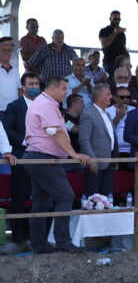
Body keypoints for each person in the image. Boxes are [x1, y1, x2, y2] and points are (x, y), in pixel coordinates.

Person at [24, 76, 92, 253]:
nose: (66, 92)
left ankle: (40, 245)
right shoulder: (46, 105)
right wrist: (74, 154)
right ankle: (62, 241)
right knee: (65, 196)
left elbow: (58, 132)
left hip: (40, 157)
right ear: (53, 89)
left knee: (41, 201)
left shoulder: (45, 103)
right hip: (42, 158)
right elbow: (56, 132)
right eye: (63, 88)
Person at [2, 72, 38, 244]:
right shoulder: (14, 106)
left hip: (40, 156)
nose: (34, 87)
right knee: (19, 195)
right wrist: (23, 141)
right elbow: (6, 130)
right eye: (30, 84)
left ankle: (33, 233)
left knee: (36, 195)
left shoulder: (43, 105)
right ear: (23, 87)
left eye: (36, 84)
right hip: (20, 155)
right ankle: (17, 235)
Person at [79, 83, 115, 197]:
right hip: (95, 164)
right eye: (108, 94)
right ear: (99, 97)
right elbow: (84, 139)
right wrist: (92, 159)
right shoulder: (88, 114)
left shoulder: (107, 114)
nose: (111, 96)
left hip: (108, 162)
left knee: (106, 197)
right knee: (94, 199)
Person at [0, 37, 18, 113]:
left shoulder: (16, 70)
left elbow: (19, 89)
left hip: (14, 110)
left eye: (9, 50)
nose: (7, 52)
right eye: (4, 50)